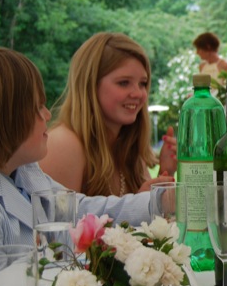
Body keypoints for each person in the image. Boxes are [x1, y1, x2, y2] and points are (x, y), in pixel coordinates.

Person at [0, 46, 155, 286]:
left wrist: (156, 202)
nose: (48, 114)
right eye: (37, 107)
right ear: (0, 118)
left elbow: (81, 211)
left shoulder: (24, 173)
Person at [41, 33, 176, 196]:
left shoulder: (128, 148)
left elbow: (154, 218)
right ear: (90, 85)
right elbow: (57, 220)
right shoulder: (63, 144)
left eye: (143, 83)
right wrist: (138, 205)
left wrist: (165, 172)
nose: (138, 93)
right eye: (124, 83)